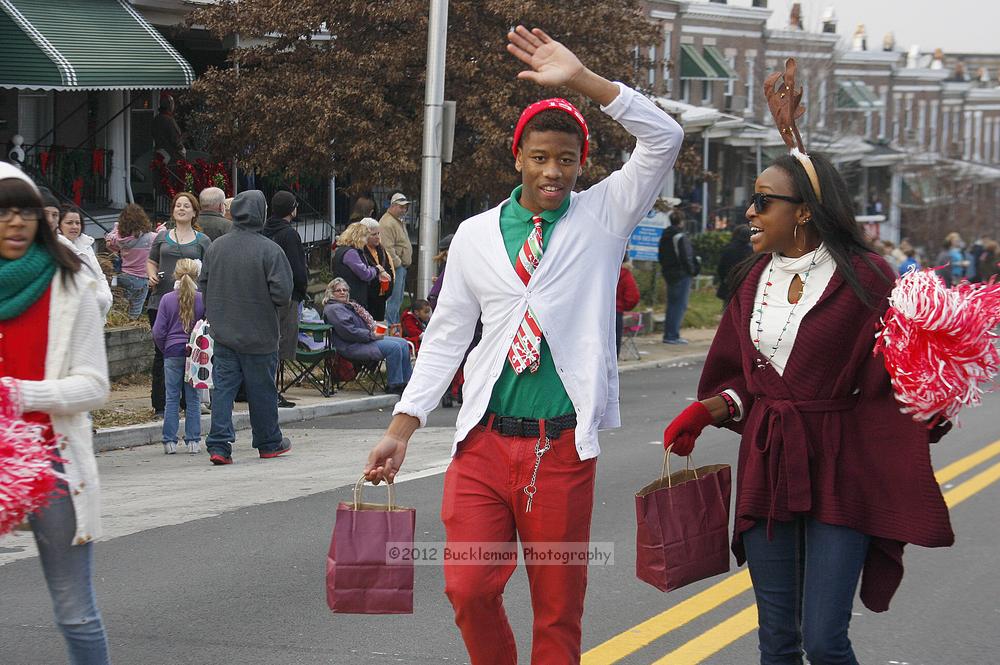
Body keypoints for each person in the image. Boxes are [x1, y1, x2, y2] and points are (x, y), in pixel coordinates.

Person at [362, 26, 683, 664]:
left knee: (558, 611)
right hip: (483, 445)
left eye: (566, 159)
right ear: (518, 158)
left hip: (558, 447)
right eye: (540, 157)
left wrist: (584, 81)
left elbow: (665, 137)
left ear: (580, 164)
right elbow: (447, 335)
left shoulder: (604, 215)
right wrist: (401, 428)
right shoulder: (477, 235)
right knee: (469, 587)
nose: (553, 172)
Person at [661, 128, 953, 662]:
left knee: (823, 640)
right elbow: (744, 382)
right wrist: (703, 412)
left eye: (762, 201)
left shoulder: (866, 276)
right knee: (776, 639)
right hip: (769, 465)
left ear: (803, 212)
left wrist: (933, 390)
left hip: (842, 467)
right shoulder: (751, 281)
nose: (749, 210)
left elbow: (902, 366)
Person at [0, 163, 112, 663]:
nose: (15, 222)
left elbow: (94, 385)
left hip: (53, 463)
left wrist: (17, 395)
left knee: (74, 610)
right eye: (3, 213)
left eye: (24, 211)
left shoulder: (71, 285)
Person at [199, 190, 293, 465]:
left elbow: (203, 284)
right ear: (261, 213)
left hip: (224, 331)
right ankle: (268, 442)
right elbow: (282, 294)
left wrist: (216, 314)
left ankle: (219, 445)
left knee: (223, 390)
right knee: (262, 390)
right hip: (260, 334)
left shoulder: (216, 247)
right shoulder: (269, 249)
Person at [146, 192, 212, 417]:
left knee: (191, 349)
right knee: (161, 351)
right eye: (177, 205)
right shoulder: (162, 236)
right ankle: (161, 404)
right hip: (163, 300)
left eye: (186, 206)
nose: (181, 209)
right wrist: (151, 275)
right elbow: (151, 261)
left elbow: (210, 269)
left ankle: (189, 402)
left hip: (194, 302)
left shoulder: (202, 240)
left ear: (194, 212)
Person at [322, 277, 412, 394]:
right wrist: (372, 335)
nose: (343, 292)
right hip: (350, 346)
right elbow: (349, 332)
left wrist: (373, 332)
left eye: (345, 290)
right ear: (331, 293)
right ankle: (395, 385)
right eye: (338, 290)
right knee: (394, 347)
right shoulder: (334, 309)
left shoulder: (348, 305)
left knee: (403, 343)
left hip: (364, 340)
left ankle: (408, 383)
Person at [152, 258, 204, 455]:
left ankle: (169, 441)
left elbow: (158, 331)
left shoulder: (166, 299)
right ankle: (193, 441)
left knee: (171, 398)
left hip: (172, 351)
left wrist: (165, 348)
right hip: (194, 354)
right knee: (193, 399)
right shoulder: (201, 298)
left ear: (175, 274)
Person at [262, 190, 309, 408]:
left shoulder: (263, 231)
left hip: (264, 294)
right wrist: (301, 290)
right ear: (291, 209)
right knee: (280, 345)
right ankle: (272, 391)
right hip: (286, 296)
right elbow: (297, 269)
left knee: (269, 343)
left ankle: (266, 390)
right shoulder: (289, 234)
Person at [57, 206, 113, 319]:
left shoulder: (85, 244)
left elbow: (99, 275)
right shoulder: (57, 248)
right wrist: (100, 299)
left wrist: (107, 298)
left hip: (95, 313)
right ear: (59, 225)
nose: (74, 226)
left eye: (78, 223)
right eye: (69, 223)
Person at [105, 203, 158, 319]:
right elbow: (162, 240)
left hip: (124, 277)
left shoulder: (120, 240)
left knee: (120, 311)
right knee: (134, 314)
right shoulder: (151, 237)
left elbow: (109, 243)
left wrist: (116, 229)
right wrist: (162, 229)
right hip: (142, 279)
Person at [331, 221, 389, 312]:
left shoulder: (342, 250)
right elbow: (364, 274)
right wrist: (377, 269)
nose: (366, 241)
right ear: (358, 237)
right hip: (352, 297)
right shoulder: (351, 253)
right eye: (365, 237)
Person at [658, 209, 697, 344]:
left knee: (672, 304)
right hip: (681, 274)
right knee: (680, 305)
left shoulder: (665, 236)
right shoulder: (680, 236)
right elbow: (686, 256)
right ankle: (672, 335)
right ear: (681, 221)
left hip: (669, 273)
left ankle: (668, 333)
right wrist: (692, 271)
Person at [378, 192, 412, 326]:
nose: (404, 210)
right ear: (393, 206)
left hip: (400, 267)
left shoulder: (396, 221)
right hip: (395, 268)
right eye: (401, 207)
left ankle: (394, 326)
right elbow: (387, 248)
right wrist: (398, 264)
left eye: (405, 207)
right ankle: (391, 327)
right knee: (393, 300)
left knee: (397, 300)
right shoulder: (387, 223)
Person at [358, 216, 395, 321]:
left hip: (382, 295)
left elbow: (389, 268)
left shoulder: (381, 249)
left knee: (379, 326)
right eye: (374, 234)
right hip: (367, 297)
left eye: (378, 233)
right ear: (364, 235)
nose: (378, 237)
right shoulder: (359, 250)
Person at [716, 224, 753, 301]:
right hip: (746, 284)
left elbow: (721, 267)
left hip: (729, 283)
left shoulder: (728, 249)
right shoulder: (752, 251)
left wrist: (723, 279)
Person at [615, 255, 640, 356]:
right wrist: (623, 307)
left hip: (594, 311)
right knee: (613, 344)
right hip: (616, 312)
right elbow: (633, 297)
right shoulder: (625, 274)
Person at [151, 94, 185, 163]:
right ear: (170, 106)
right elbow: (175, 140)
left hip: (158, 155)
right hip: (170, 157)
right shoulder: (169, 120)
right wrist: (181, 148)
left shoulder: (156, 119)